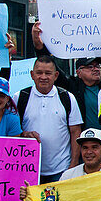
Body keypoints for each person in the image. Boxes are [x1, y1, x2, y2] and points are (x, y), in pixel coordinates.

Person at [30, 19, 101, 130]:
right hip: (85, 143)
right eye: (90, 67)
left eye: (98, 66)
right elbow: (50, 65)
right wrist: (38, 45)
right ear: (79, 72)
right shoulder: (72, 87)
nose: (96, 69)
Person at [17, 56, 83, 184]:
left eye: (48, 73)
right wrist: (25, 134)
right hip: (28, 170)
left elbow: (75, 132)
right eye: (39, 73)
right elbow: (13, 131)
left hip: (60, 170)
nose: (43, 77)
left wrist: (74, 164)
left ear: (56, 75)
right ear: (32, 74)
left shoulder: (68, 98)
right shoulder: (19, 98)